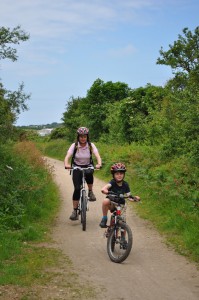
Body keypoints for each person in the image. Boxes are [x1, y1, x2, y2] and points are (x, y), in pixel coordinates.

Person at [64, 127, 102, 221]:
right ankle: (75, 211)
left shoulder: (91, 145)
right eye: (81, 136)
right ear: (78, 137)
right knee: (77, 188)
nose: (83, 138)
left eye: (84, 136)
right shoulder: (74, 145)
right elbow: (67, 156)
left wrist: (99, 164)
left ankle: (90, 191)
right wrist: (66, 164)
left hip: (88, 165)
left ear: (87, 137)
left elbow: (97, 155)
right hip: (76, 167)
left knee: (89, 173)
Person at [99, 162, 140, 228]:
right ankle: (104, 218)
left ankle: (123, 237)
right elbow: (105, 188)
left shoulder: (125, 184)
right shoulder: (112, 182)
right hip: (112, 202)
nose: (119, 175)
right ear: (113, 175)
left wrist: (135, 198)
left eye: (121, 173)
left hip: (121, 205)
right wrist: (105, 190)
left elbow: (129, 196)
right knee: (105, 201)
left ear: (124, 175)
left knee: (123, 224)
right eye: (117, 174)